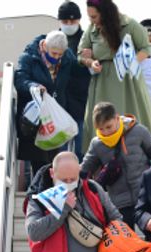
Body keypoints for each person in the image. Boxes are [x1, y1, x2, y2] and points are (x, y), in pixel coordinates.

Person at [77, 0, 151, 151]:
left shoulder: (130, 25)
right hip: (102, 82)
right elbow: (80, 54)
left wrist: (133, 61)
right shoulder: (91, 30)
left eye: (94, 16)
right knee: (101, 121)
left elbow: (146, 48)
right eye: (89, 17)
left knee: (132, 118)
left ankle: (139, 150)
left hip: (128, 82)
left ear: (106, 13)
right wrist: (90, 62)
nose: (91, 21)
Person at [80, 101, 151, 228]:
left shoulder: (139, 131)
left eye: (108, 127)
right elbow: (84, 170)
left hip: (145, 196)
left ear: (117, 118)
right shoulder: (96, 144)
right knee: (127, 243)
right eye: (101, 129)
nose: (106, 132)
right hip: (119, 203)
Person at [15, 30, 79, 174]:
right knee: (39, 165)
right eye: (54, 53)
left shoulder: (67, 57)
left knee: (56, 163)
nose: (56, 57)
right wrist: (33, 86)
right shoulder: (28, 58)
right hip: (35, 120)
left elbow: (77, 75)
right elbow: (20, 80)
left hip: (56, 118)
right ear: (44, 46)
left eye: (60, 54)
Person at [58, 1, 92, 152]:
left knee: (81, 149)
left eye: (73, 21)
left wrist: (88, 60)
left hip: (82, 102)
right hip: (60, 103)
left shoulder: (88, 41)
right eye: (65, 21)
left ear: (79, 20)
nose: (69, 24)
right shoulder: (53, 41)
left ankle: (82, 176)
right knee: (61, 151)